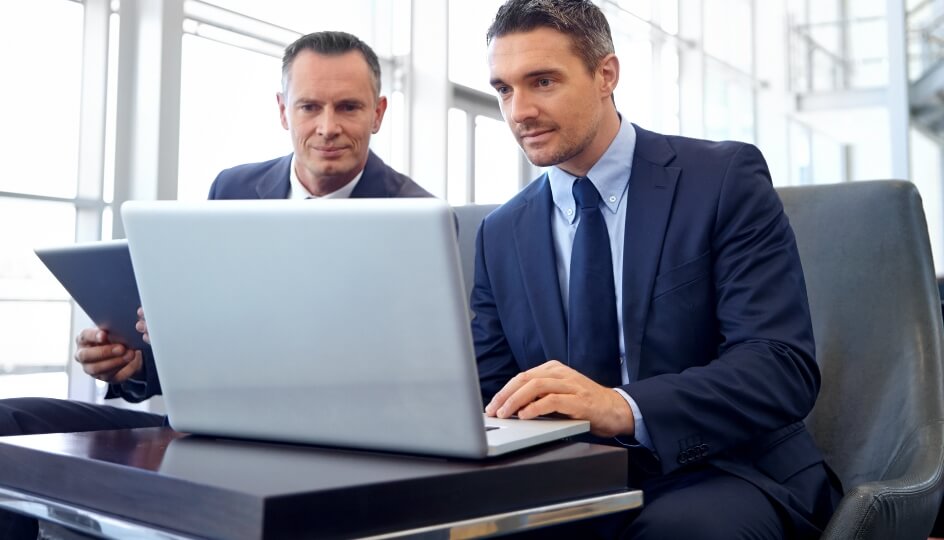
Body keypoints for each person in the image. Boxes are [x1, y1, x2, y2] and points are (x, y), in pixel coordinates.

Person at [0, 30, 429, 540]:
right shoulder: (233, 190)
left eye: (348, 107)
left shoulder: (416, 217)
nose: (327, 127)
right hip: (200, 430)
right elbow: (192, 346)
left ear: (378, 113)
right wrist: (135, 361)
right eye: (309, 106)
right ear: (282, 110)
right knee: (9, 421)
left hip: (323, 455)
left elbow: (414, 384)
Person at [472, 1, 841, 538]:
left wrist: (621, 406)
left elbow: (779, 366)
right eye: (504, 89)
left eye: (542, 81)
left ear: (606, 75)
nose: (518, 110)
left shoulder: (721, 179)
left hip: (722, 470)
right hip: (573, 479)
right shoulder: (501, 232)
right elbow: (489, 391)